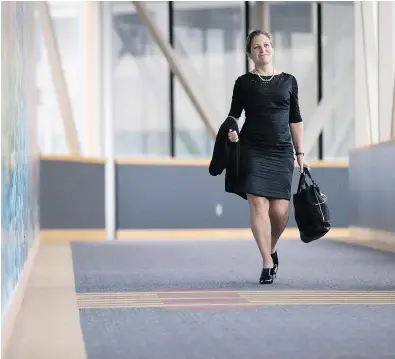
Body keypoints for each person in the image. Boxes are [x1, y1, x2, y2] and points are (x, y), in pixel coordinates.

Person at [227, 30, 308, 284]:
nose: (262, 50)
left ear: (272, 48)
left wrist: (300, 152)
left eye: (266, 45)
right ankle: (266, 261)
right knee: (258, 203)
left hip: (282, 151)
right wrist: (232, 131)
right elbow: (234, 116)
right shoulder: (243, 83)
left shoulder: (288, 81)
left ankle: (271, 248)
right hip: (253, 149)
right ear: (250, 53)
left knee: (280, 211)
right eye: (256, 47)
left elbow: (295, 119)